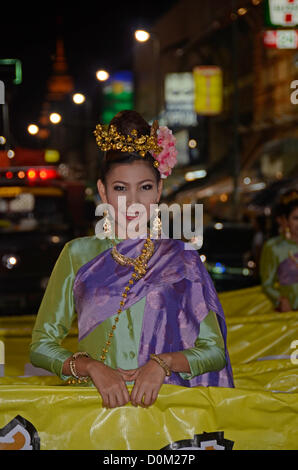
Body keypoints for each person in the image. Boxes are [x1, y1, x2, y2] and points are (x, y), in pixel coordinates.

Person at [30, 110, 234, 409]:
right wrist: (92, 368)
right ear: (103, 191)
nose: (134, 202)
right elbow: (41, 346)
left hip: (168, 412)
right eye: (120, 188)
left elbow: (214, 350)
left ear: (159, 191)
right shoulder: (77, 254)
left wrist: (162, 364)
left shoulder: (183, 259)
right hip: (96, 412)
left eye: (145, 187)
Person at [260, 189, 298, 313]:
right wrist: (280, 299)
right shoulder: (273, 247)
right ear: (285, 220)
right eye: (296, 218)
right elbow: (267, 285)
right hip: (290, 316)